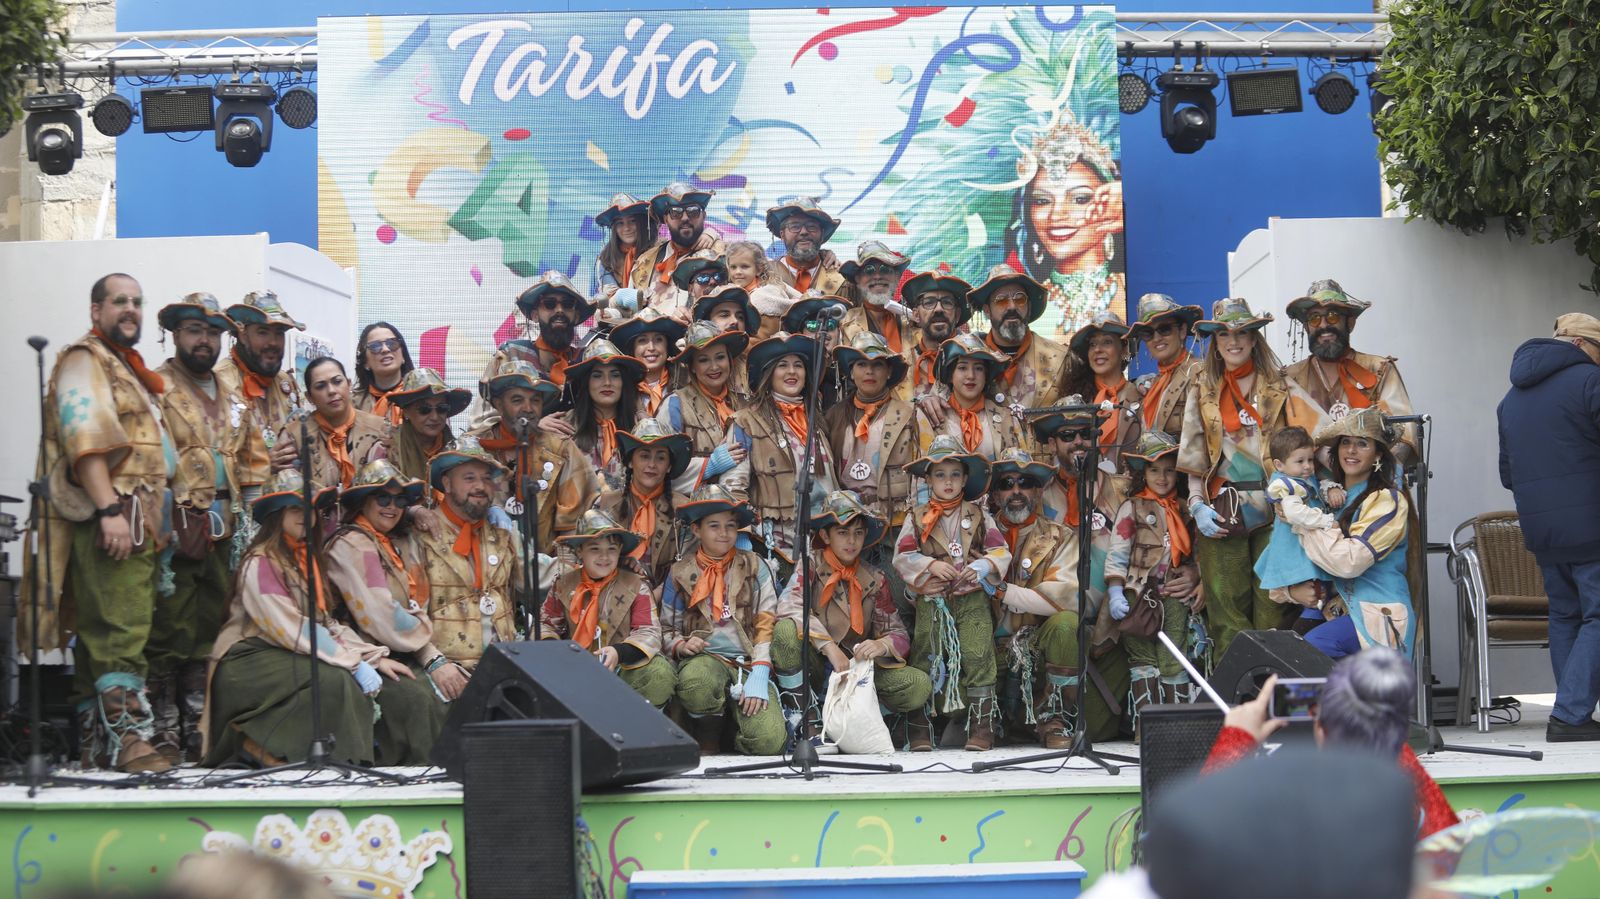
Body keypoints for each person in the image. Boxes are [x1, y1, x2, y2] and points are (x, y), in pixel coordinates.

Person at [21, 272, 176, 773]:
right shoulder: (84, 359)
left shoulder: (125, 367)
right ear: (96, 311)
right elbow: (85, 439)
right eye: (119, 302)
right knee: (119, 630)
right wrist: (110, 510)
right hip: (115, 517)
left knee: (102, 636)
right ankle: (130, 740)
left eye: (137, 301)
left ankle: (96, 748)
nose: (130, 309)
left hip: (137, 520)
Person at [204, 470, 413, 768]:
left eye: (311, 508)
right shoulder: (261, 562)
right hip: (248, 660)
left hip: (289, 650)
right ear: (277, 515)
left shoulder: (306, 561)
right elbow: (290, 627)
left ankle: (339, 758)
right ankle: (263, 746)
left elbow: (324, 623)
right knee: (333, 679)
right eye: (294, 508)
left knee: (364, 679)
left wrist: (373, 658)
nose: (306, 515)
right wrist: (352, 663)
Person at [1203, 649, 1458, 839]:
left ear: (1321, 730)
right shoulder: (1402, 823)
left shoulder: (1290, 818)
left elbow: (1201, 826)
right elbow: (1447, 839)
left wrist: (1236, 739)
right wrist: (1379, 730)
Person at [151, 292, 248, 763]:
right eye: (195, 330)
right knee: (168, 628)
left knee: (209, 628)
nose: (204, 340)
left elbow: (253, 458)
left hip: (223, 531)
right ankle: (162, 729)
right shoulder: (156, 386)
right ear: (175, 334)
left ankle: (196, 725)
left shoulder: (231, 393)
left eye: (212, 332)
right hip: (175, 527)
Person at [1498, 312, 1600, 741]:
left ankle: (1572, 711)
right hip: (1592, 523)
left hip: (1541, 528)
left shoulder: (1511, 399)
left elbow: (1508, 474)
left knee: (1566, 616)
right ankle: (1571, 714)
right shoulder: (1590, 383)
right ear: (1578, 344)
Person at [771, 491, 933, 748]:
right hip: (817, 666)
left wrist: (882, 645)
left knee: (917, 685)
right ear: (825, 535)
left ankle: (859, 718)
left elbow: (899, 634)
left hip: (856, 673)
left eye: (858, 533)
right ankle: (807, 718)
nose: (852, 541)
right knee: (784, 631)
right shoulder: (810, 565)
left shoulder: (874, 578)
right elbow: (789, 606)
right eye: (843, 532)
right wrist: (828, 646)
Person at [1177, 298, 1292, 659]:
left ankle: (1275, 701)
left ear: (1255, 339)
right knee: (1226, 611)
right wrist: (1196, 506)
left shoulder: (1280, 385)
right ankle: (1237, 704)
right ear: (1216, 341)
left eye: (1242, 332)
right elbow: (1195, 453)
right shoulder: (1203, 387)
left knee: (1274, 605)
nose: (1234, 341)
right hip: (1223, 509)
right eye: (1225, 334)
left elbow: (1306, 440)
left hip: (1276, 510)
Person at [322, 460, 450, 763]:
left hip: (396, 648)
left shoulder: (395, 542)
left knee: (444, 695)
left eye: (400, 500)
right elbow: (382, 615)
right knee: (415, 700)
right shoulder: (354, 544)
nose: (392, 507)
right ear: (363, 502)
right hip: (357, 649)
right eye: (382, 498)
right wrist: (430, 651)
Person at [893, 435, 1011, 750]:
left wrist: (983, 568)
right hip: (933, 601)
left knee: (977, 654)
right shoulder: (916, 518)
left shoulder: (978, 515)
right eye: (940, 475)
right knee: (926, 655)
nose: (948, 482)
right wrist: (929, 565)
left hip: (971, 599)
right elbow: (902, 556)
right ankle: (920, 730)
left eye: (955, 474)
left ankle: (981, 728)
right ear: (929, 479)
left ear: (965, 479)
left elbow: (1001, 551)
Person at [660, 485, 786, 755]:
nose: (724, 533)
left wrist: (761, 672)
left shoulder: (755, 565)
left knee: (768, 742)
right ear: (696, 530)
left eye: (730, 525)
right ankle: (708, 734)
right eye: (714, 526)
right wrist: (681, 646)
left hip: (749, 663)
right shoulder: (680, 573)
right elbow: (666, 628)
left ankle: (736, 734)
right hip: (707, 659)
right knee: (697, 682)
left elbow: (767, 622)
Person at [987, 449, 1089, 749]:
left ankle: (1053, 719)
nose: (1016, 491)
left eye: (1025, 482)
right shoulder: (976, 530)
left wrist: (1003, 591)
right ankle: (980, 720)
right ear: (994, 494)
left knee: (1066, 624)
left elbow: (1064, 597)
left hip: (1036, 645)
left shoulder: (1061, 536)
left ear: (1038, 490)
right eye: (1006, 483)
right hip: (985, 648)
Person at [1293, 408, 1415, 660]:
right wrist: (1292, 592)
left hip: (1377, 610)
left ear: (1379, 454)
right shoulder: (1327, 502)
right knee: (1284, 655)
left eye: (1362, 444)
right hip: (1335, 609)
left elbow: (1349, 563)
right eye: (1345, 442)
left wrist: (1303, 523)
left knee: (1314, 647)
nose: (1351, 450)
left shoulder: (1387, 500)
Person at [1104, 431, 1198, 731]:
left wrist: (1195, 576)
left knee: (1174, 654)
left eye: (1169, 470)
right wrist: (1116, 591)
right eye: (1154, 470)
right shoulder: (1132, 507)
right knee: (1143, 657)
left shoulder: (1184, 508)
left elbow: (1196, 552)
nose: (1162, 477)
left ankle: (1179, 724)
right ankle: (1148, 726)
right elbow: (1118, 552)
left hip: (1173, 592)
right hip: (1138, 593)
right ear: (1143, 474)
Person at [723, 331, 837, 576]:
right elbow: (733, 487)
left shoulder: (816, 422)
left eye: (798, 365)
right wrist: (742, 538)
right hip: (775, 547)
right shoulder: (745, 422)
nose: (792, 372)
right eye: (782, 365)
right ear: (768, 373)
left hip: (823, 546)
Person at [543, 510, 678, 709]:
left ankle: (640, 725)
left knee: (659, 673)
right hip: (573, 668)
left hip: (621, 668)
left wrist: (618, 652)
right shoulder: (564, 584)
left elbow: (648, 632)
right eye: (595, 549)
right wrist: (559, 651)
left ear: (620, 549)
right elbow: (545, 624)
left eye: (611, 549)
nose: (604, 557)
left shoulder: (635, 585)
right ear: (580, 551)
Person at [415, 437, 524, 670]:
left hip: (506, 664)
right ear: (447, 483)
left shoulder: (502, 532)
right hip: (449, 667)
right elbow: (411, 614)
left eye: (486, 478)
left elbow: (537, 579)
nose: (480, 486)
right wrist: (434, 662)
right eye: (469, 478)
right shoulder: (420, 535)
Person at [464, 360, 597, 548]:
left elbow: (572, 528)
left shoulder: (561, 449)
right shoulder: (473, 448)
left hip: (544, 567)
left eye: (535, 400)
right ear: (498, 404)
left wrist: (560, 571)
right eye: (517, 400)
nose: (528, 408)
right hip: (483, 564)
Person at [1283, 279, 1417, 463]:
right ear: (1307, 327)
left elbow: (1404, 432)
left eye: (1332, 316)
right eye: (1314, 318)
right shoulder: (1291, 378)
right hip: (1312, 485)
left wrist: (1379, 478)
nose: (1323, 325)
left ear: (1350, 323)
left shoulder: (1379, 368)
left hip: (1374, 483)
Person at [215, 290, 305, 518]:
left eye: (279, 333)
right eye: (263, 333)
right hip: (240, 517)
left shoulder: (286, 382)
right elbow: (208, 461)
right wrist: (265, 464)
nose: (273, 343)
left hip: (288, 513)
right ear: (242, 335)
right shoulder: (219, 382)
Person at [823, 332, 921, 535]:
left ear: (888, 372)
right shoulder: (834, 416)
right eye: (861, 364)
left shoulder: (909, 415)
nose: (869, 371)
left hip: (896, 522)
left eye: (877, 365)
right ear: (851, 372)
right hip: (847, 524)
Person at [971, 265, 1070, 441]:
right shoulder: (969, 360)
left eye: (1020, 299)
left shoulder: (1062, 358)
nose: (1011, 306)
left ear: (1029, 306)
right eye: (1001, 300)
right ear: (987, 310)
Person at [1253, 426, 1338, 619]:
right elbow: (1296, 514)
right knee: (1310, 587)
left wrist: (1330, 487)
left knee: (1316, 590)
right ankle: (1311, 618)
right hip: (1294, 545)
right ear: (1279, 465)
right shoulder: (1287, 486)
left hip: (1305, 544)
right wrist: (1325, 521)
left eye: (1310, 460)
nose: (1307, 466)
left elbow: (1316, 489)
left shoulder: (1302, 477)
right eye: (1300, 461)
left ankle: (1314, 615)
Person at [657, 320, 750, 494]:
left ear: (730, 360)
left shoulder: (747, 403)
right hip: (692, 510)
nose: (714, 367)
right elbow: (658, 468)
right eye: (703, 360)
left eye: (720, 357)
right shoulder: (675, 404)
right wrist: (710, 465)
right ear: (692, 366)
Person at [273, 357, 392, 492]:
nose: (331, 391)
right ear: (309, 397)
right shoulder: (294, 435)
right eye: (320, 386)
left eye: (337, 382)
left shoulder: (379, 428)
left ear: (349, 384)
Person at [598, 419, 692, 587]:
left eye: (660, 458)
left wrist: (657, 597)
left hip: (667, 600)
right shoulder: (606, 504)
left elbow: (690, 566)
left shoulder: (684, 508)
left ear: (669, 466)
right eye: (644, 456)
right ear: (629, 461)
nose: (652, 465)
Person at [554, 338, 643, 492]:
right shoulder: (564, 426)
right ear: (586, 382)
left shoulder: (640, 426)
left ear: (624, 382)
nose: (607, 382)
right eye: (597, 375)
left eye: (615, 375)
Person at [919, 333, 1025, 459]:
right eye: (962, 368)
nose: (971, 376)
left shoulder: (1007, 417)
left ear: (986, 376)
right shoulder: (932, 415)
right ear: (950, 375)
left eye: (979, 368)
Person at [1064, 306, 1141, 469]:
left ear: (1124, 349)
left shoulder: (1143, 395)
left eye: (1107, 342)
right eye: (1092, 344)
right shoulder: (1074, 401)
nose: (1098, 350)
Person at [838, 241, 916, 398]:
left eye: (885, 270)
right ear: (858, 280)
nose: (878, 276)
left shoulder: (915, 321)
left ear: (896, 277)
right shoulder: (844, 323)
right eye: (869, 270)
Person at [632, 182, 725, 310]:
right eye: (676, 212)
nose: (685, 217)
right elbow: (629, 312)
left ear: (703, 216)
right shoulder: (645, 261)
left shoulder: (722, 254)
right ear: (666, 219)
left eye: (693, 211)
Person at [1128, 293, 1205, 441]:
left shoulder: (1201, 373)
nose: (1156, 338)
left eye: (1164, 329)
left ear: (1182, 331)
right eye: (1147, 333)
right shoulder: (1152, 385)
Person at [385, 368, 471, 486]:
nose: (434, 417)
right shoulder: (387, 449)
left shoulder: (459, 452)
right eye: (424, 410)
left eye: (442, 408)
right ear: (406, 412)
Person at [511, 271, 593, 390]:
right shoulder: (512, 356)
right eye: (549, 304)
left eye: (567, 304)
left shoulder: (585, 363)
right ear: (535, 315)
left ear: (576, 316)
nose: (559, 310)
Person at [902, 269, 973, 402]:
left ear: (957, 315)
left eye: (947, 302)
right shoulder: (902, 365)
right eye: (929, 302)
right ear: (916, 315)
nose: (939, 309)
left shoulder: (977, 360)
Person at [611, 307, 687, 418]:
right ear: (633, 349)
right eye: (642, 340)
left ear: (667, 346)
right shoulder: (621, 388)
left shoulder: (686, 380)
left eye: (658, 339)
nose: (651, 347)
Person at [766, 197, 845, 298]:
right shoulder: (766, 274)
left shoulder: (842, 278)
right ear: (782, 235)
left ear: (822, 234)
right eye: (795, 226)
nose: (804, 232)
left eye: (811, 226)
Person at [350, 321, 415, 426]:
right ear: (366, 362)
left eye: (392, 343)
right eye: (375, 346)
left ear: (403, 356)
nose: (385, 349)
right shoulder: (351, 404)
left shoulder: (421, 396)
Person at [594, 192, 655, 293]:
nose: (626, 228)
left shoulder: (659, 250)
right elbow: (610, 294)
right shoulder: (605, 259)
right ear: (614, 228)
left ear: (642, 223)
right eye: (620, 223)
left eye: (632, 221)